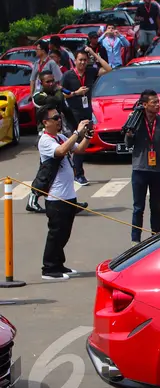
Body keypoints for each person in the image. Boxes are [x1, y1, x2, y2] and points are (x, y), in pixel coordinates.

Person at [37, 104, 92, 280]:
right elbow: (60, 152)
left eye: (59, 117)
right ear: (45, 122)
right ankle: (49, 268)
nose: (59, 120)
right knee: (56, 233)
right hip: (56, 196)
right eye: (55, 118)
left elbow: (79, 149)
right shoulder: (45, 141)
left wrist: (87, 136)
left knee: (64, 233)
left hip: (69, 195)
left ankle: (59, 264)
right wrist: (77, 132)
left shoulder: (60, 137)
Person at [27, 71, 82, 214]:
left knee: (62, 167)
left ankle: (70, 201)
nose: (51, 84)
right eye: (48, 82)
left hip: (58, 133)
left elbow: (64, 107)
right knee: (46, 171)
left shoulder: (56, 93)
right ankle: (32, 198)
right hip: (44, 136)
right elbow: (54, 102)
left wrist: (76, 127)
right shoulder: (38, 96)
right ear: (41, 83)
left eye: (53, 81)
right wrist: (59, 92)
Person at [124, 90, 160, 246]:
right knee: (138, 207)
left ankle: (155, 238)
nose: (158, 105)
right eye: (154, 102)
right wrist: (129, 133)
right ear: (144, 105)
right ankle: (135, 240)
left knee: (155, 206)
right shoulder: (136, 121)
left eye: (158, 102)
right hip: (140, 169)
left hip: (157, 170)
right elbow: (128, 144)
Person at [61, 48, 112, 186]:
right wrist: (75, 93)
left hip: (86, 112)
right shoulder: (68, 75)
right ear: (75, 61)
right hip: (73, 113)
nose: (82, 63)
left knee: (84, 142)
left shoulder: (90, 72)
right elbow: (62, 92)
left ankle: (75, 172)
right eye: (80, 60)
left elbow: (108, 69)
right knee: (78, 142)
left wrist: (94, 54)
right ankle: (78, 174)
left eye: (85, 60)